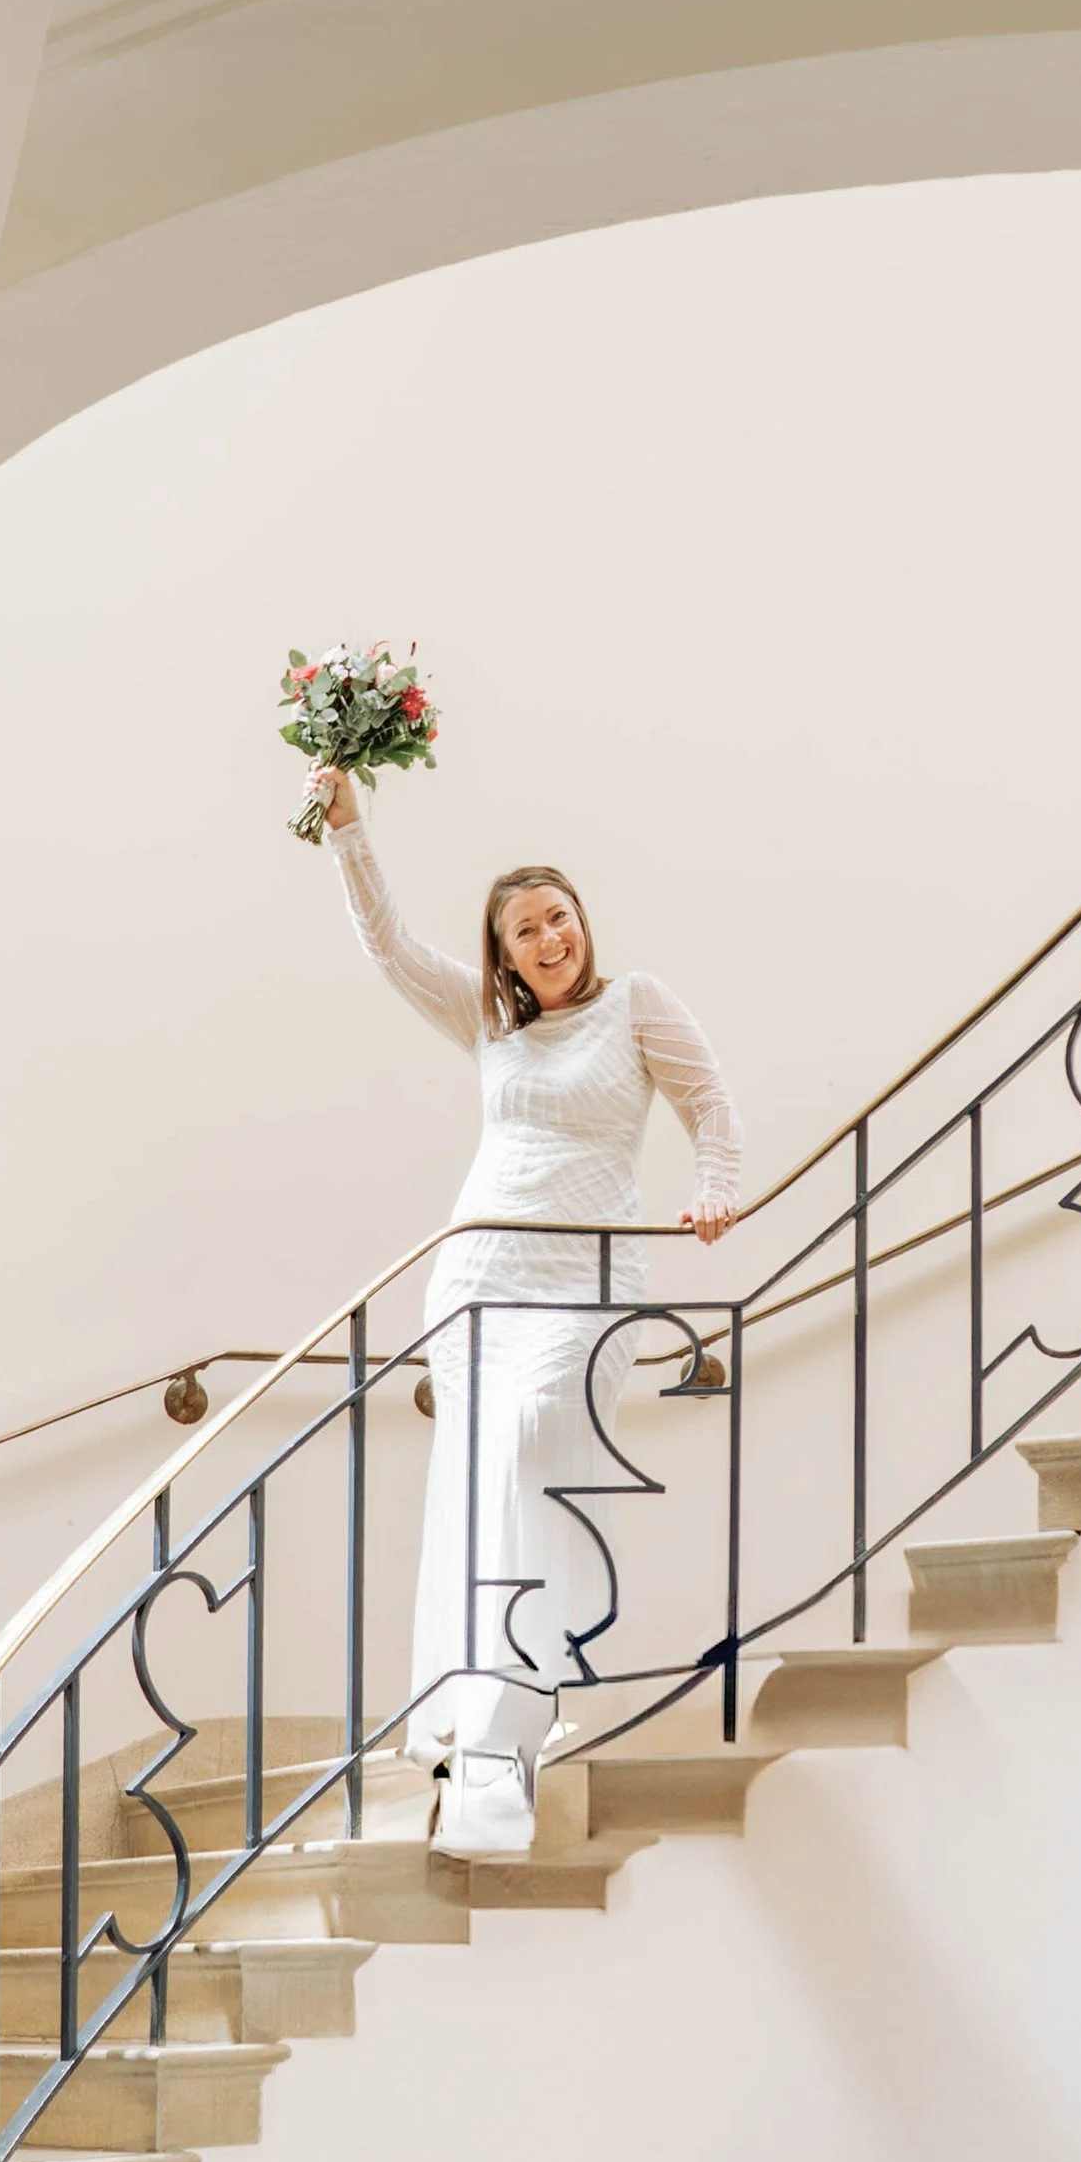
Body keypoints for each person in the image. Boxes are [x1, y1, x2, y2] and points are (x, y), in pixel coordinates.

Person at [309, 763, 741, 1853]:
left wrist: (713, 1191)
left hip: (584, 1278)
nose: (549, 939)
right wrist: (349, 830)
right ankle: (468, 1730)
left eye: (559, 918)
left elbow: (708, 1103)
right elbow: (390, 947)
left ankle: (516, 1713)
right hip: (477, 1274)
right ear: (502, 954)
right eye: (524, 931)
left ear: (581, 925)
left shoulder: (637, 1002)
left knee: (528, 1444)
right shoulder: (488, 1023)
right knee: (471, 1483)